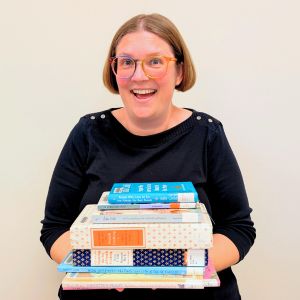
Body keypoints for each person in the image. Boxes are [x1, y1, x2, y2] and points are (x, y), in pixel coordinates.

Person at [40, 13, 256, 300]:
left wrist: (169, 268)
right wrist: (108, 268)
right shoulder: (87, 133)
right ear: (114, 71)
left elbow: (238, 228)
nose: (139, 76)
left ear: (179, 71)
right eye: (127, 62)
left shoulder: (207, 134)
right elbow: (55, 228)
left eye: (155, 61)